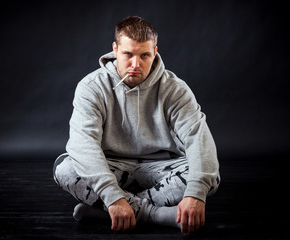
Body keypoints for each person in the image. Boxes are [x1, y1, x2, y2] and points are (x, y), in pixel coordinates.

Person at [53, 16, 220, 234]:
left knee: (208, 178)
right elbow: (82, 145)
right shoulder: (91, 87)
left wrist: (195, 193)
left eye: (144, 55)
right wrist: (112, 196)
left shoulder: (175, 89)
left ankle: (111, 212)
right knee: (65, 168)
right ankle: (156, 215)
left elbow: (198, 138)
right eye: (128, 54)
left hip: (163, 168)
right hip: (113, 167)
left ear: (155, 52)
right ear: (115, 49)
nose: (135, 64)